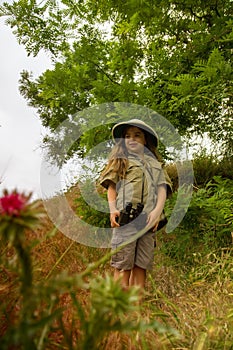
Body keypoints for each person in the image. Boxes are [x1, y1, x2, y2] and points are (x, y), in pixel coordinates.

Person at [99, 119, 172, 290]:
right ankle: (119, 310)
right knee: (123, 266)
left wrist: (156, 213)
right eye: (127, 136)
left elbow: (162, 190)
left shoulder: (155, 164)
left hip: (148, 222)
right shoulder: (121, 161)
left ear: (145, 139)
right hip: (126, 220)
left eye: (137, 135)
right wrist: (112, 209)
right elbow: (111, 187)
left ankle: (136, 312)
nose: (131, 139)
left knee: (141, 267)